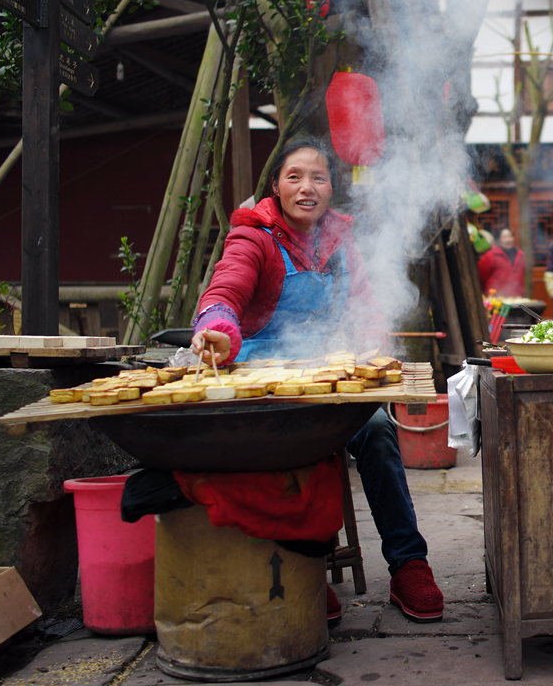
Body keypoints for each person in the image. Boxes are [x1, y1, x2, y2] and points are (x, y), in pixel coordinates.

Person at [189, 137, 445, 624]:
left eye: (318, 177)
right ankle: (306, 565)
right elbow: (225, 288)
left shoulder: (340, 243)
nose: (307, 187)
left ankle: (409, 563)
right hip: (264, 382)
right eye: (295, 177)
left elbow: (366, 309)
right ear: (276, 187)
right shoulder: (253, 236)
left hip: (329, 378)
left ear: (331, 188)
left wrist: (374, 353)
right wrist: (217, 327)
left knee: (376, 430)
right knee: (294, 444)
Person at [477, 228, 527, 297]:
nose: (509, 239)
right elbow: (481, 278)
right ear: (499, 240)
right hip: (496, 299)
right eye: (505, 237)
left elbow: (522, 274)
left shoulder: (520, 255)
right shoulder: (490, 256)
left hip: (517, 297)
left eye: (510, 236)